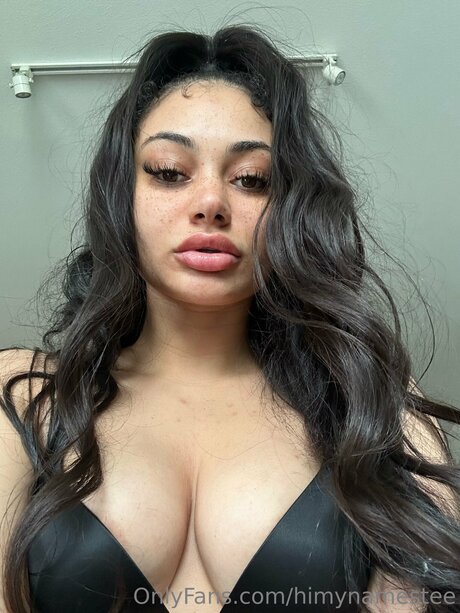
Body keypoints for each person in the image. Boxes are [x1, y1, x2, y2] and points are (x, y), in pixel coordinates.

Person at [1, 23, 459, 613]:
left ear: (290, 211)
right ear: (121, 195)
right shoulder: (26, 397)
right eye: (169, 171)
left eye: (252, 180)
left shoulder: (373, 403)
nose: (211, 203)